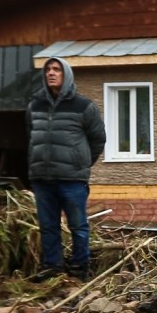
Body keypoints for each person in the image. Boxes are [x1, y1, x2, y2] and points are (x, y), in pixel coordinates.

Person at [27, 56, 105, 278]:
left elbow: (98, 139)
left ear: (67, 75)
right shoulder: (35, 106)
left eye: (56, 70)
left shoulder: (84, 106)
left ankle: (80, 266)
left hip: (72, 180)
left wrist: (81, 164)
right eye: (48, 70)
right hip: (42, 179)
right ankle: (52, 266)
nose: (51, 73)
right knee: (48, 226)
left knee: (78, 225)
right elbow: (30, 137)